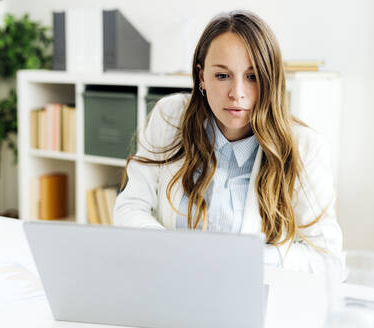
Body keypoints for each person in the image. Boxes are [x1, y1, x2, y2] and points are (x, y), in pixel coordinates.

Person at [113, 10, 343, 274]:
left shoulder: (306, 148)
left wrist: (248, 259)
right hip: (168, 283)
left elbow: (328, 259)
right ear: (202, 77)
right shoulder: (169, 117)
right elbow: (131, 206)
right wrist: (169, 247)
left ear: (271, 79)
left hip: (254, 299)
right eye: (222, 76)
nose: (237, 94)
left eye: (253, 76)